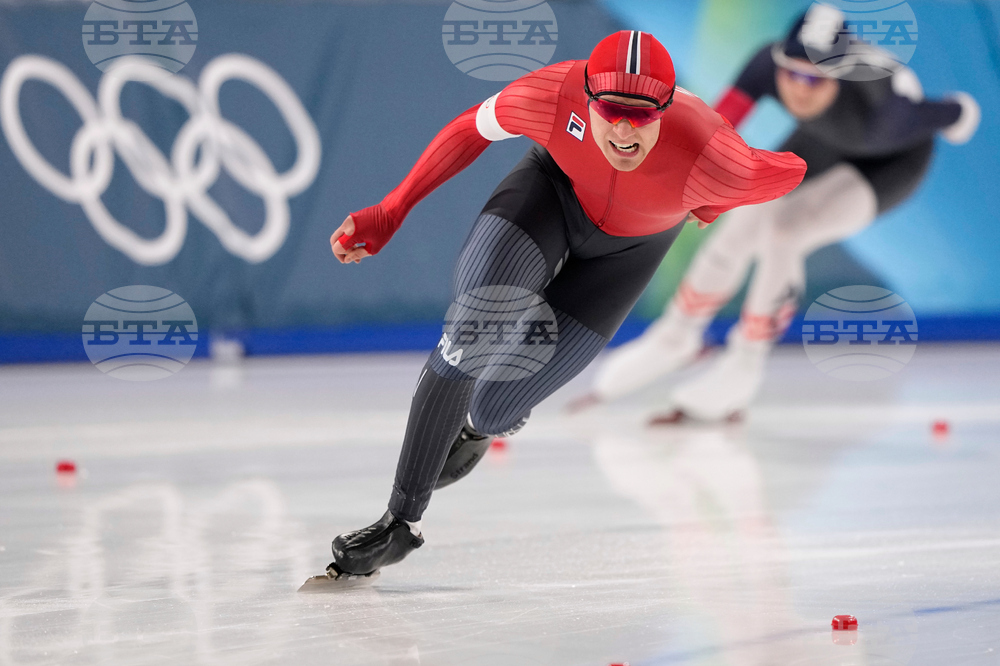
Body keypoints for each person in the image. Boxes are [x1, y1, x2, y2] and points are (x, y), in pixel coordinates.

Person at [319, 30, 806, 582]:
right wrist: (392, 208)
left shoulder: (717, 157)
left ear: (666, 110)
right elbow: (466, 130)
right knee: (470, 336)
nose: (623, 130)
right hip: (549, 196)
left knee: (496, 407)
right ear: (588, 97)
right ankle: (400, 523)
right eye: (611, 110)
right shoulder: (552, 94)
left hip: (625, 257)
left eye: (642, 115)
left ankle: (478, 428)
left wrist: (715, 200)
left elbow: (790, 170)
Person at [582, 6, 981, 423]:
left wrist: (959, 113)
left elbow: (956, 114)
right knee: (748, 213)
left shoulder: (886, 107)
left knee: (787, 232)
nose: (799, 89)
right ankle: (676, 335)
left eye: (814, 79)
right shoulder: (765, 65)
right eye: (791, 73)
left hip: (889, 163)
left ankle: (746, 361)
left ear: (841, 74)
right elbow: (716, 129)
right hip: (825, 137)